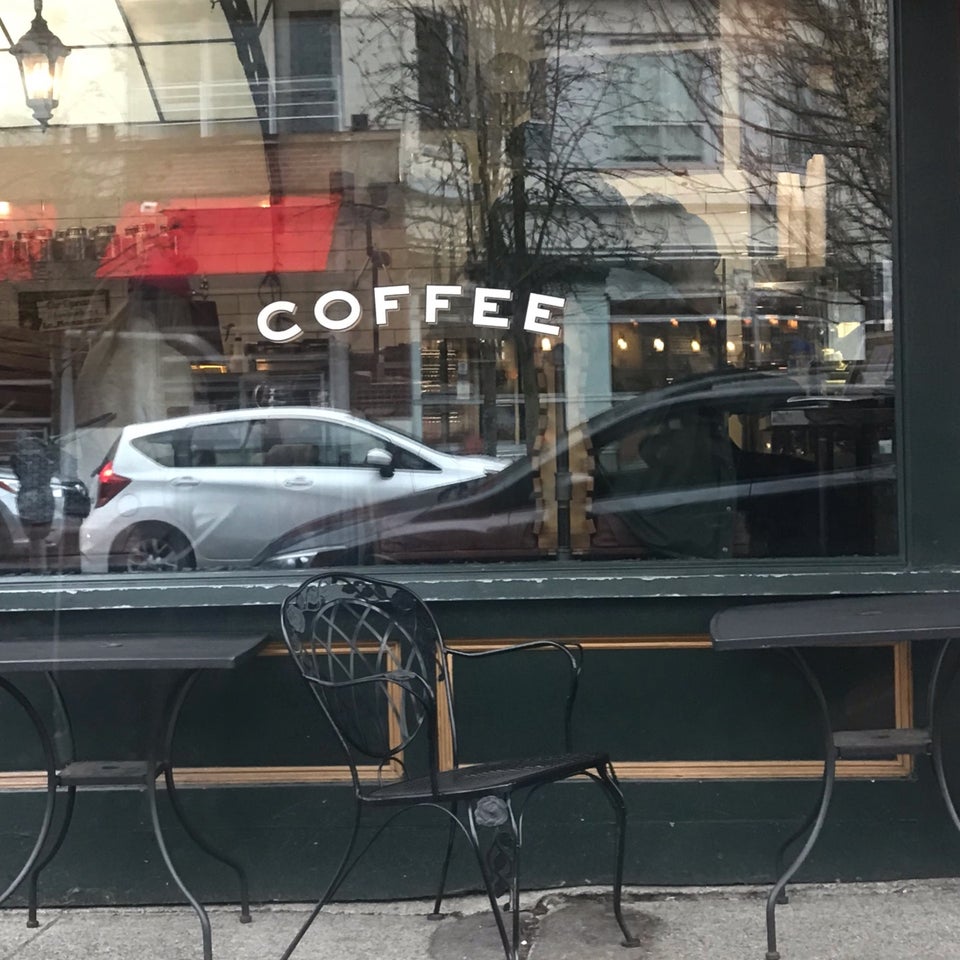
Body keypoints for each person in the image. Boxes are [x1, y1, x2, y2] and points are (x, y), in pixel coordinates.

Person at [11, 430, 55, 573]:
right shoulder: (46, 455)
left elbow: (16, 469)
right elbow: (54, 466)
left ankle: (37, 568)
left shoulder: (17, 456)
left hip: (27, 494)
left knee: (33, 534)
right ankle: (40, 568)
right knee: (40, 534)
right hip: (43, 493)